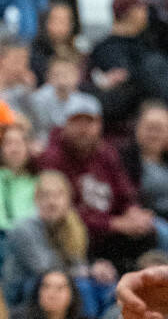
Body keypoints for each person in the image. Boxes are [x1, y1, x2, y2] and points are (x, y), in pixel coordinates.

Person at [40, 95, 165, 271]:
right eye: (77, 123)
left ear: (99, 125)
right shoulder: (53, 158)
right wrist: (115, 223)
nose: (83, 130)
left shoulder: (106, 153)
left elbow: (125, 192)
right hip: (76, 235)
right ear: (65, 125)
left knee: (151, 231)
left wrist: (133, 211)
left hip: (111, 232)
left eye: (89, 123)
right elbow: (64, 211)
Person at [1, 169, 116, 315]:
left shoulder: (73, 226)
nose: (52, 202)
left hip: (62, 279)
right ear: (36, 200)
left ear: (68, 200)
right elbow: (44, 268)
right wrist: (87, 271)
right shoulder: (23, 228)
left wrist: (97, 271)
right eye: (45, 196)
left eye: (58, 195)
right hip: (23, 292)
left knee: (107, 285)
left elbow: (78, 262)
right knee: (81, 287)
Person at [88, 0, 168, 132]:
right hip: (133, 119)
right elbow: (124, 82)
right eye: (141, 8)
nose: (146, 13)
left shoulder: (146, 43)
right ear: (129, 12)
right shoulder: (108, 48)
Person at [121, 101, 168, 221]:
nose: (154, 134)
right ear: (137, 128)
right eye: (150, 127)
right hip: (148, 220)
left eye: (160, 129)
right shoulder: (122, 159)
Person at [27, 51, 85, 144]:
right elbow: (37, 129)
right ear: (48, 76)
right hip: (45, 145)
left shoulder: (88, 102)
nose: (62, 78)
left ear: (78, 76)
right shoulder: (36, 99)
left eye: (67, 74)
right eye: (57, 74)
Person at [29, 0, 84, 85]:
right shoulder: (35, 54)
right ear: (45, 22)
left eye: (66, 21)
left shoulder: (78, 52)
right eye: (56, 20)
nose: (61, 26)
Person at [0, 40, 37, 120]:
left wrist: (30, 91)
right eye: (16, 60)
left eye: (25, 61)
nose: (21, 66)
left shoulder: (23, 89)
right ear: (0, 60)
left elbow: (39, 122)